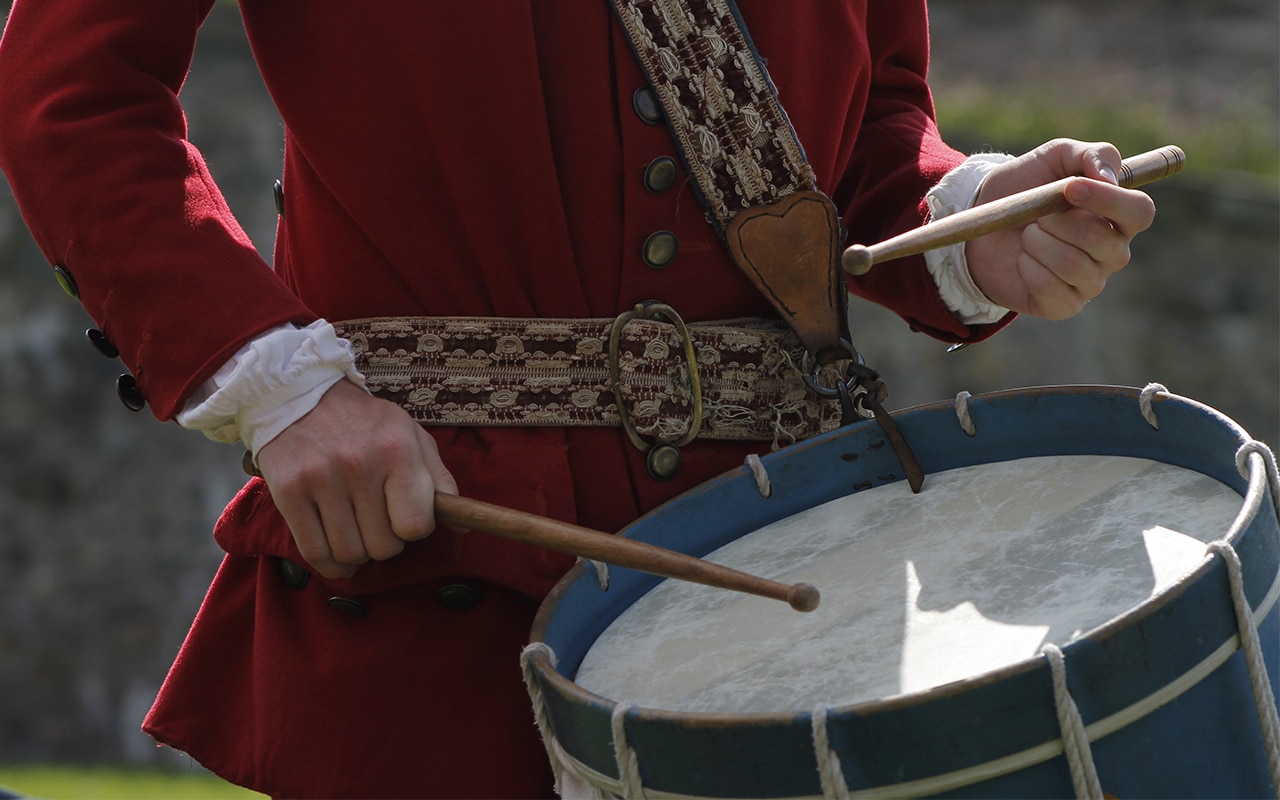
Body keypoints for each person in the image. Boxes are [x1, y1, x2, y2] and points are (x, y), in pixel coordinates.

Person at [0, 1, 1156, 797]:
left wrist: (971, 217)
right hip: (448, 591)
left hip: (797, 601)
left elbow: (865, 137)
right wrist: (279, 384)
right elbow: (70, 89)